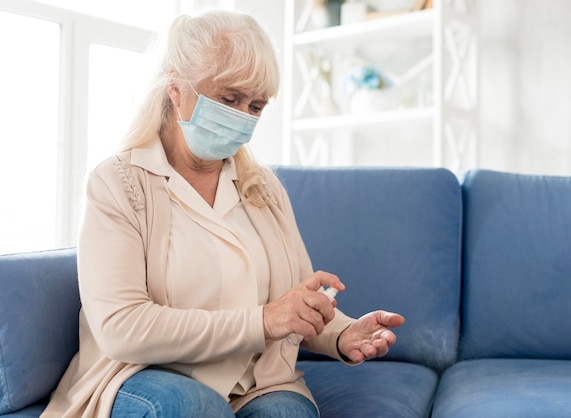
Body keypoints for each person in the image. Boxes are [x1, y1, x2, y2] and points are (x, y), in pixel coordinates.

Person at [42, 9, 404, 418]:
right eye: (229, 99)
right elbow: (121, 328)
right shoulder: (118, 182)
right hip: (142, 373)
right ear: (176, 87)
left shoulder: (263, 187)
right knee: (194, 407)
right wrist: (262, 322)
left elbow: (297, 303)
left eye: (255, 106)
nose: (241, 118)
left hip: (253, 383)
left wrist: (342, 334)